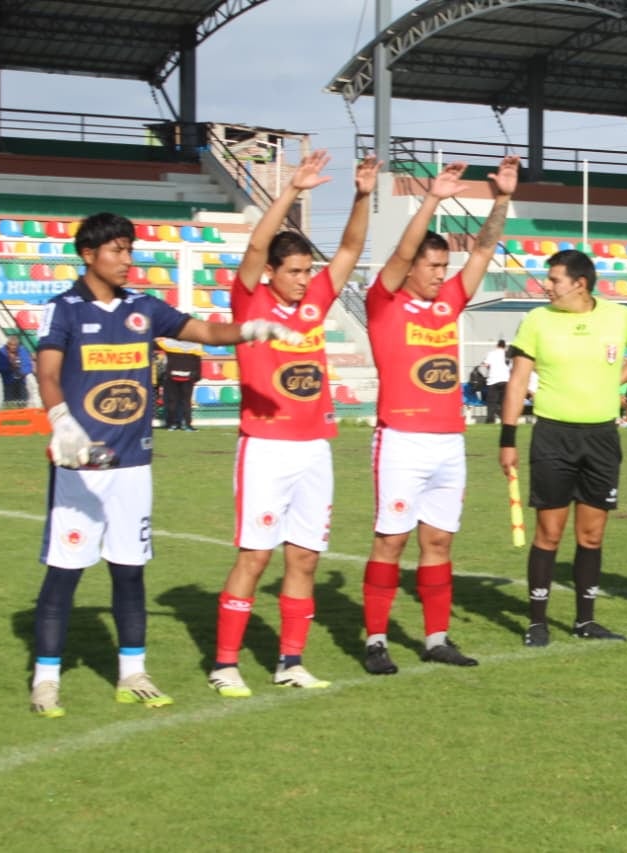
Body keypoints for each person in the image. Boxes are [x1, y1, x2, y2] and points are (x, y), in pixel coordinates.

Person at [28, 211, 302, 718]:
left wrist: (250, 329)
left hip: (134, 463)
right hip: (81, 465)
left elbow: (204, 331)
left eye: (130, 250)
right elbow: (47, 373)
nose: (127, 260)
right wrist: (61, 421)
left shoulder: (144, 307)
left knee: (130, 572)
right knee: (65, 574)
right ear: (88, 255)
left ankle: (133, 673)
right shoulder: (62, 310)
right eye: (117, 250)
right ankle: (46, 681)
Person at [208, 150, 381, 698]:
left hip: (314, 448)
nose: (306, 280)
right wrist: (291, 192)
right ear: (272, 273)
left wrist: (362, 195)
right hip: (265, 446)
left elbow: (350, 250)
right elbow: (255, 247)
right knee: (255, 557)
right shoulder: (250, 300)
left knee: (304, 557)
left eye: (309, 271)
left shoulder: (314, 302)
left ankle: (290, 661)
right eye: (296, 272)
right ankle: (225, 664)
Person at [361, 155, 518, 674]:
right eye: (431, 266)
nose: (440, 275)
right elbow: (401, 251)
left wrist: (501, 199)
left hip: (449, 440)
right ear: (409, 267)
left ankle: (435, 638)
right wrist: (431, 199)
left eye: (443, 267)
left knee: (439, 540)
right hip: (401, 438)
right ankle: (376, 641)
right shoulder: (384, 302)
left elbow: (484, 250)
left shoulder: (448, 302)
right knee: (392, 540)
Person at [499, 249, 627, 647]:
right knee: (549, 533)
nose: (547, 286)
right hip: (553, 436)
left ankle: (586, 621)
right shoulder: (537, 320)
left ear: (579, 284)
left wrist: (617, 378)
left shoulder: (620, 317)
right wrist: (508, 437)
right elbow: (518, 382)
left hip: (601, 438)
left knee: (592, 535)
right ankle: (537, 622)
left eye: (554, 280)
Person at [160, 340, 203, 430]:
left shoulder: (169, 344)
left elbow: (155, 344)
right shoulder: (195, 345)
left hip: (172, 376)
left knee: (172, 401)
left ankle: (172, 424)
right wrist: (197, 376)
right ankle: (186, 424)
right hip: (188, 376)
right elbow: (198, 362)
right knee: (186, 402)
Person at [0, 334, 33, 407]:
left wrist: (21, 371)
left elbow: (28, 366)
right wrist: (9, 368)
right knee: (9, 403)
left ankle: (21, 412)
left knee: (22, 402)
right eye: (11, 345)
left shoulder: (23, 351)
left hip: (21, 382)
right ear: (8, 345)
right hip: (8, 382)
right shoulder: (2, 352)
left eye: (15, 345)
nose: (13, 347)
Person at [481, 339, 510, 423]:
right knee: (504, 401)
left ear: (497, 345)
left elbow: (486, 364)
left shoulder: (491, 353)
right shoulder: (507, 355)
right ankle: (505, 419)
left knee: (491, 401)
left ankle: (490, 419)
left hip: (493, 380)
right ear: (505, 346)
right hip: (505, 380)